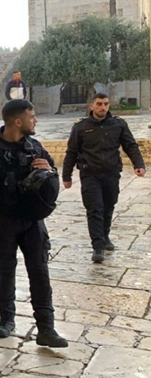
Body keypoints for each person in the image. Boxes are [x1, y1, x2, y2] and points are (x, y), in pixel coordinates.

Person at [0, 100, 68, 348]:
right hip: (3, 221)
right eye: (32, 116)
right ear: (18, 121)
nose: (36, 120)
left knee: (40, 271)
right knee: (5, 270)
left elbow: (51, 171)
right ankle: (6, 320)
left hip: (32, 221)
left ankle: (46, 328)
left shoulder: (34, 147)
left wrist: (48, 169)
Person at [63, 93, 146, 263]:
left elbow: (130, 145)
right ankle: (98, 246)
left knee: (108, 206)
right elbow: (71, 152)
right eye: (99, 104)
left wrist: (139, 164)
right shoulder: (80, 127)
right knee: (95, 208)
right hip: (90, 175)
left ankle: (105, 236)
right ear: (91, 106)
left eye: (106, 104)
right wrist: (66, 175)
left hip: (111, 173)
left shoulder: (118, 124)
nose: (103, 107)